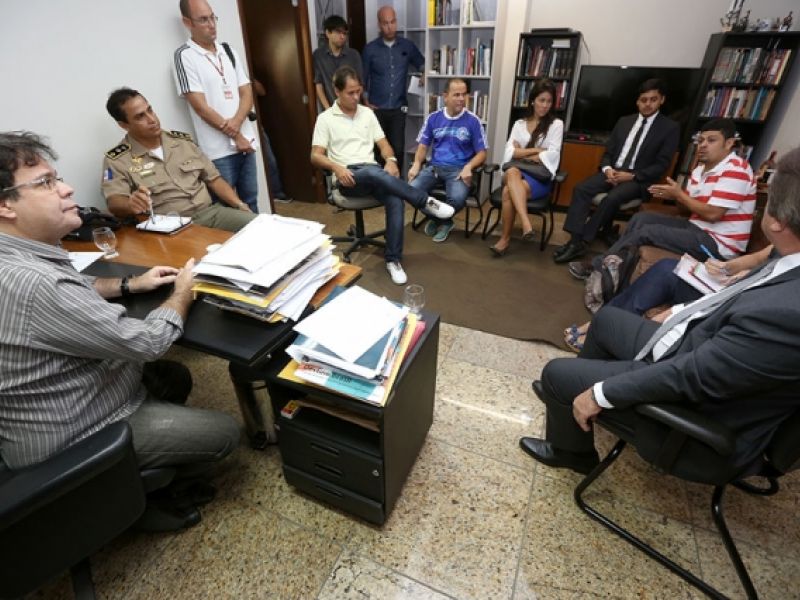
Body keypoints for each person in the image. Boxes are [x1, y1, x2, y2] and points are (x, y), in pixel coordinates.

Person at [0, 131, 240, 530]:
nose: (66, 189)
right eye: (45, 183)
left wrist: (129, 284)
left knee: (175, 377)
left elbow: (75, 287)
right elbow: (150, 342)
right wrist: (183, 291)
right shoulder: (34, 283)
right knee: (226, 434)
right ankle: (129, 497)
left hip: (64, 395)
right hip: (73, 431)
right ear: (5, 204)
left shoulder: (18, 254)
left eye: (57, 178)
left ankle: (141, 465)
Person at [520, 145, 800, 477]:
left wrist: (601, 394)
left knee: (556, 373)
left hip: (692, 416)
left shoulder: (784, 314)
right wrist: (681, 310)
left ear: (778, 222)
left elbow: (692, 377)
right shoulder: (786, 259)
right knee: (606, 320)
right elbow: (732, 303)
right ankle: (570, 400)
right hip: (688, 347)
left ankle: (572, 451)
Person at [311, 66, 455, 285]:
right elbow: (315, 156)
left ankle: (393, 260)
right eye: (350, 93)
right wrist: (336, 168)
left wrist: (391, 160)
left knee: (395, 198)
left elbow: (384, 145)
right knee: (372, 170)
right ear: (337, 91)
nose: (356, 97)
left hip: (374, 174)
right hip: (348, 177)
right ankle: (424, 201)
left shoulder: (367, 114)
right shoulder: (325, 119)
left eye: (358, 91)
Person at [569, 118, 757, 279]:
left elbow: (714, 214)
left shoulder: (736, 170)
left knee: (648, 232)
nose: (703, 145)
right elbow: (686, 210)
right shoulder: (700, 170)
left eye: (712, 140)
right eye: (701, 140)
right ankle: (617, 268)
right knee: (640, 218)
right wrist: (675, 196)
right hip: (696, 227)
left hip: (718, 245)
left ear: (729, 143)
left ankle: (598, 267)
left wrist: (679, 194)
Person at [553, 79, 679, 264]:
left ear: (662, 100)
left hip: (637, 179)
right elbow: (608, 153)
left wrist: (632, 175)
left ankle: (582, 242)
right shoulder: (624, 121)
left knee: (611, 199)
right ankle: (575, 239)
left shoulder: (669, 128)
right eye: (644, 100)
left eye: (653, 99)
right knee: (581, 189)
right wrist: (607, 169)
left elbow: (662, 165)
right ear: (637, 101)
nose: (648, 104)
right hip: (613, 172)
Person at [564, 244, 774, 352]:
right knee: (667, 267)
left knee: (665, 272)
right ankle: (601, 321)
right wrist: (726, 267)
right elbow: (758, 258)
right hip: (728, 285)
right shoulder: (785, 241)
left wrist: (743, 281)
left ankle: (603, 328)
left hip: (735, 300)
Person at [101, 87, 256, 232]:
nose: (152, 119)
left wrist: (239, 205)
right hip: (169, 226)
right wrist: (129, 204)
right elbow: (114, 201)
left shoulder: (182, 142)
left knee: (261, 226)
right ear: (123, 125)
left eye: (150, 110)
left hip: (210, 214)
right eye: (140, 116)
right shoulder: (118, 160)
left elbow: (214, 179)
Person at [174, 0, 259, 211]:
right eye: (203, 20)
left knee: (251, 202)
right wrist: (236, 136)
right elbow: (200, 107)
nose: (211, 24)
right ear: (187, 22)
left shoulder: (228, 50)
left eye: (213, 17)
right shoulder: (185, 56)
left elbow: (246, 91)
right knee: (227, 209)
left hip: (246, 143)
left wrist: (238, 126)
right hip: (218, 152)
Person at [489, 79, 564, 256]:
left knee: (507, 191)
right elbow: (509, 153)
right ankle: (525, 222)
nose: (545, 105)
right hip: (516, 173)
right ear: (532, 100)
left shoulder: (556, 125)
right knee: (512, 171)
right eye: (541, 100)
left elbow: (552, 155)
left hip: (538, 178)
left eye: (549, 101)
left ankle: (504, 240)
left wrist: (521, 152)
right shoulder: (519, 124)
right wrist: (537, 151)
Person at [407, 78, 487, 243]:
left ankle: (439, 219)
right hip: (434, 168)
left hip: (459, 170)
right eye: (456, 95)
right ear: (445, 97)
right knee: (411, 191)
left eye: (464, 94)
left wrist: (469, 167)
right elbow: (422, 146)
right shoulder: (433, 118)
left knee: (457, 199)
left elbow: (482, 153)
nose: (461, 99)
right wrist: (416, 164)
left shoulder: (473, 121)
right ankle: (442, 219)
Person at [362, 5, 425, 172]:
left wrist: (425, 73)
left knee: (397, 148)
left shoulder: (407, 46)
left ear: (396, 22)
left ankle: (396, 183)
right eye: (385, 23)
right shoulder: (370, 49)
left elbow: (422, 63)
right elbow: (363, 78)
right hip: (377, 109)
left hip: (399, 108)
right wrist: (366, 101)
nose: (390, 27)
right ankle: (379, 183)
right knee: (378, 151)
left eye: (392, 22)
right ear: (379, 25)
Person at [252, 79, 292, 203]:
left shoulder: (245, 78)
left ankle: (276, 193)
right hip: (234, 128)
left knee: (270, 161)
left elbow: (262, 91)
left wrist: (249, 79)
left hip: (255, 124)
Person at [313, 15, 364, 110]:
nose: (342, 36)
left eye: (344, 33)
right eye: (338, 32)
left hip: (352, 108)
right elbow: (318, 84)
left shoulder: (353, 55)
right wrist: (328, 110)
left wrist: (353, 105)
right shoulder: (319, 55)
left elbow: (360, 84)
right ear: (328, 33)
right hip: (330, 108)